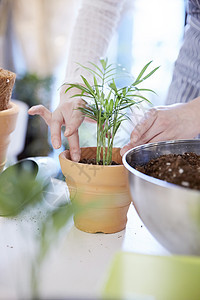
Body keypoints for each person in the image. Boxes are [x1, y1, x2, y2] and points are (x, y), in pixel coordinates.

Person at [28, 0, 200, 161]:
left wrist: (193, 113)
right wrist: (76, 86)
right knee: (170, 164)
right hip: (194, 57)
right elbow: (102, 5)